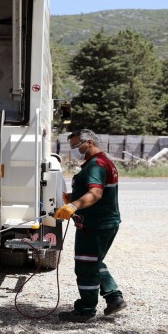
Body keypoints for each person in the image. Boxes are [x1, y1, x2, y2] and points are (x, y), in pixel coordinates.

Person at [54, 129, 126, 322]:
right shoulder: (103, 162)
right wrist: (75, 196)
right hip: (104, 222)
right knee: (95, 261)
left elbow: (95, 194)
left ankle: (86, 310)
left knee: (86, 265)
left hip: (95, 224)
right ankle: (113, 297)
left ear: (90, 143)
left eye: (77, 145)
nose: (76, 150)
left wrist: (73, 206)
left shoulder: (96, 165)